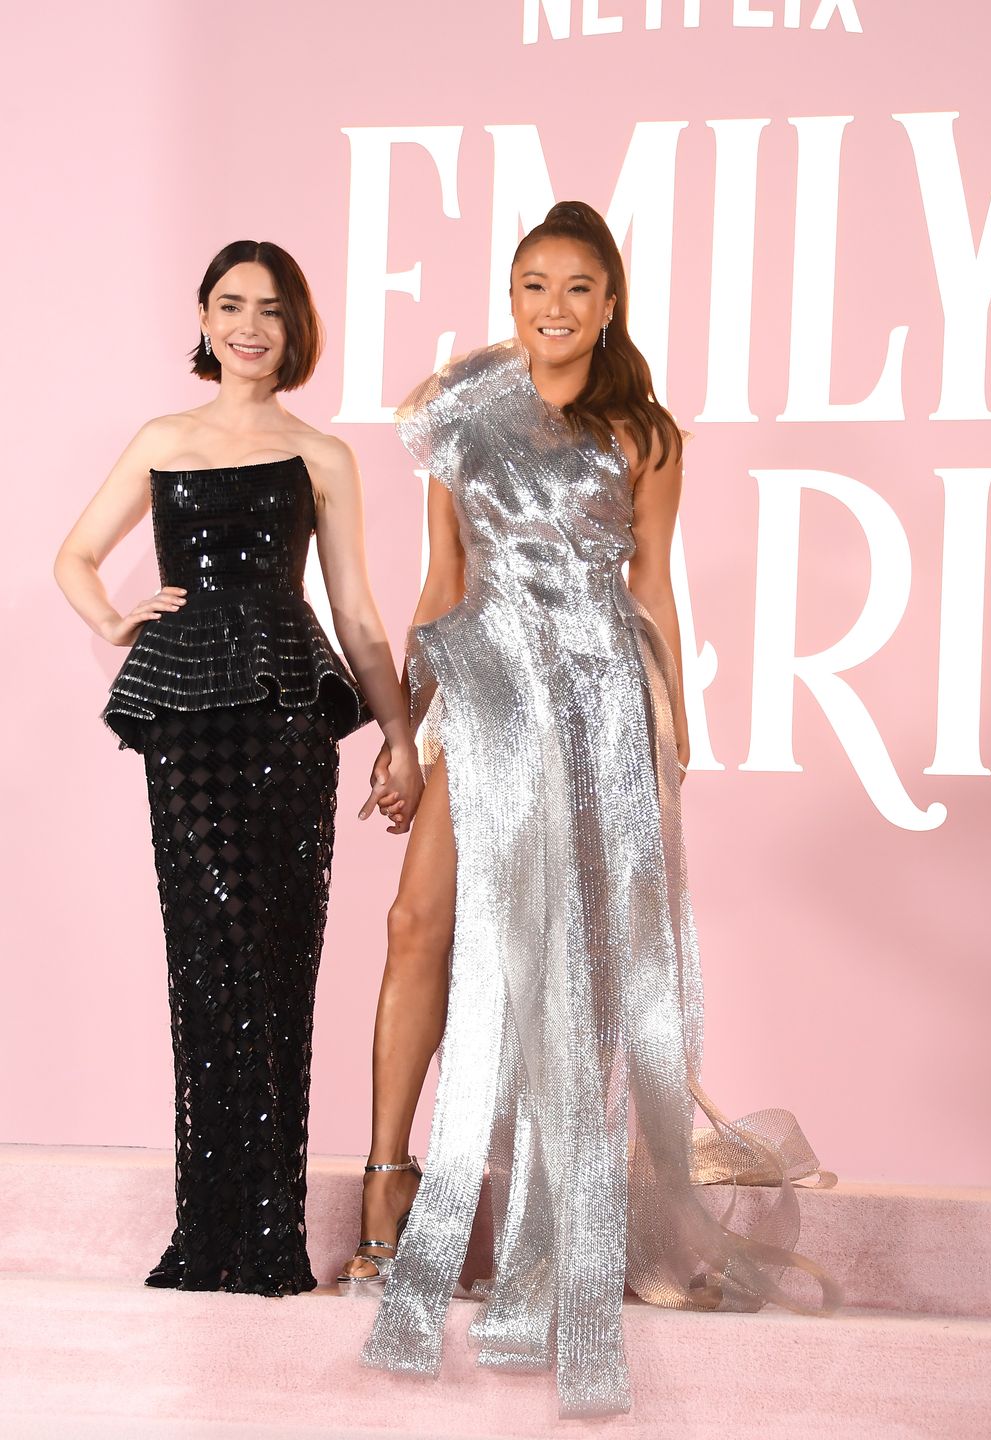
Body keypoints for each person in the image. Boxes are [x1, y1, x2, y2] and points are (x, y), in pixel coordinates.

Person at [342, 202, 836, 1415]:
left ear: (610, 303)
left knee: (579, 968)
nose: (552, 308)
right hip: (485, 686)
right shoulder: (461, 419)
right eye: (531, 286)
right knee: (420, 928)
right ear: (508, 298)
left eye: (576, 288)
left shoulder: (645, 435)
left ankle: (572, 1217)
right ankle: (391, 1187)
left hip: (599, 699)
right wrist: (407, 734)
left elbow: (652, 585)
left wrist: (674, 729)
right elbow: (442, 582)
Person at [54, 239, 422, 1297]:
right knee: (203, 960)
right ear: (205, 320)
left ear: (293, 326)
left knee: (275, 962)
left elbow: (352, 609)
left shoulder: (322, 454)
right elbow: (72, 555)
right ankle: (203, 1233)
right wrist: (117, 621)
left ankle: (264, 1238)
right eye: (229, 305)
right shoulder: (163, 438)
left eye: (268, 308)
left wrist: (398, 735)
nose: (248, 325)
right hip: (186, 728)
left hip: (284, 723)